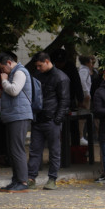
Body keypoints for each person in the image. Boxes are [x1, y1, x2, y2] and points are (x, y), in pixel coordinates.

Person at [26, 52, 70, 191]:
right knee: (35, 150)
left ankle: (51, 178)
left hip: (50, 119)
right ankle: (31, 178)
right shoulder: (43, 76)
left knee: (53, 151)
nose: (38, 68)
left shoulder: (61, 78)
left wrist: (57, 119)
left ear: (46, 61)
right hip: (41, 118)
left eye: (39, 65)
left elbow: (64, 100)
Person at [0, 52, 34, 193]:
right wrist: (3, 90)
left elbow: (14, 90)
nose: (2, 72)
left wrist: (4, 82)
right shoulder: (13, 73)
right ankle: (16, 180)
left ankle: (23, 181)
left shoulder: (20, 72)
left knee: (17, 149)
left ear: (9, 63)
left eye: (2, 68)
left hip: (19, 115)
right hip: (13, 115)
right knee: (12, 150)